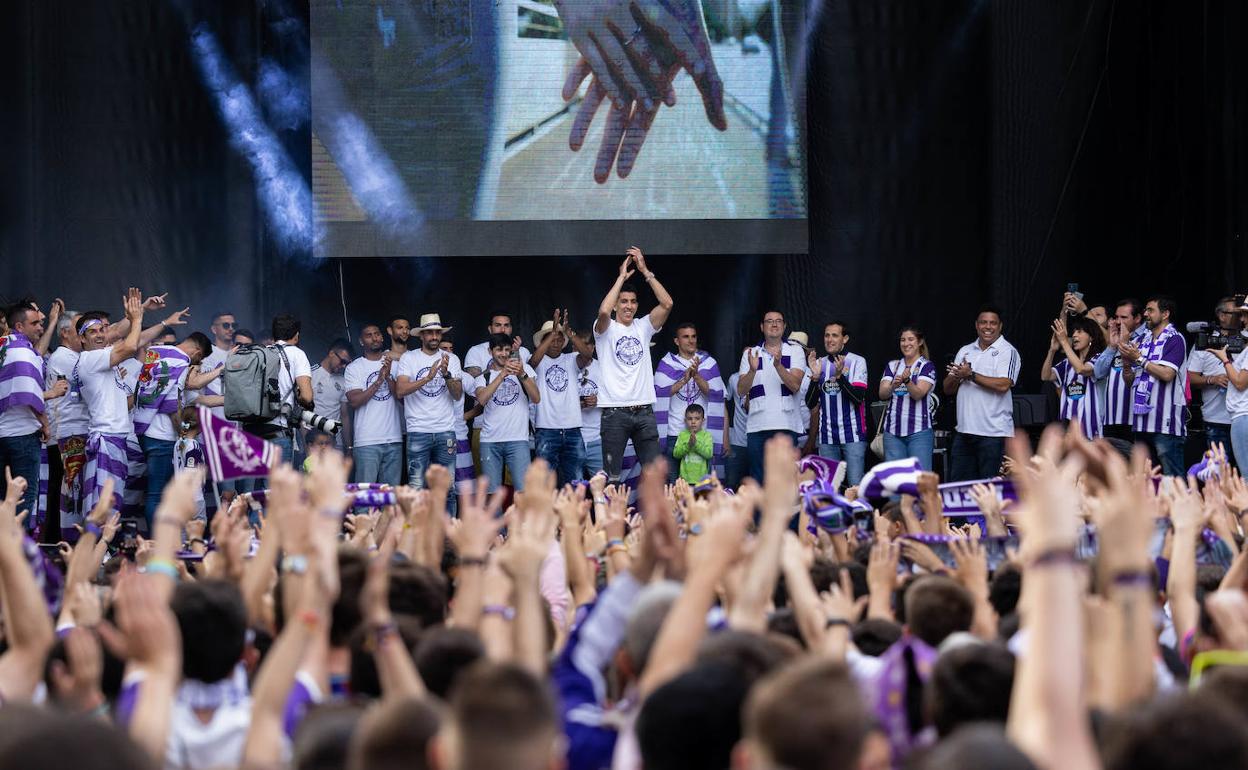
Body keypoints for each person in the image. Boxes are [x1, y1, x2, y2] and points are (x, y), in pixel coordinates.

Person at [594, 246, 673, 484]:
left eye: (633, 302)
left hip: (644, 412)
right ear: (618, 304)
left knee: (655, 480)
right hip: (614, 413)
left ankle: (651, 523)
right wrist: (620, 277)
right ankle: (611, 522)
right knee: (612, 480)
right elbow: (604, 310)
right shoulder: (605, 330)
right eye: (624, 302)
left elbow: (667, 303)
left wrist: (644, 271)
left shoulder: (643, 327)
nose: (628, 306)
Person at [132, 332, 217, 527]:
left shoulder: (157, 353)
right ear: (197, 351)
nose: (196, 363)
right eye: (200, 359)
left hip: (146, 430)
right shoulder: (178, 361)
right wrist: (183, 432)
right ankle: (157, 544)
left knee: (158, 493)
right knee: (158, 495)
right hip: (161, 435)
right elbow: (172, 404)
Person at [73, 292, 145, 514]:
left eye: (102, 330)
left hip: (115, 437)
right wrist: (137, 320)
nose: (99, 335)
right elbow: (132, 346)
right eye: (91, 332)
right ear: (82, 339)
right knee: (103, 503)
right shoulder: (90, 359)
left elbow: (126, 404)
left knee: (110, 501)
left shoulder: (105, 360)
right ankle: (98, 547)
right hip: (106, 437)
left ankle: (103, 546)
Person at [393, 314, 464, 512]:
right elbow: (400, 390)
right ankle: (415, 538)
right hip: (418, 431)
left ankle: (448, 538)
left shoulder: (452, 359)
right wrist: (428, 378)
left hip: (445, 431)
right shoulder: (409, 358)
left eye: (437, 332)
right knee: (416, 490)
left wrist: (447, 374)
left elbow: (457, 395)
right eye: (430, 332)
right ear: (421, 336)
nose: (434, 336)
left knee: (447, 490)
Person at [944, 306, 1020, 480]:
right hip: (964, 433)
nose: (988, 327)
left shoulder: (1008, 351)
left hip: (994, 435)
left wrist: (971, 375)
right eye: (983, 322)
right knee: (961, 491)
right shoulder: (965, 350)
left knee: (992, 490)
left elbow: (1004, 384)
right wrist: (957, 376)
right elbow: (948, 389)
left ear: (1000, 326)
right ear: (976, 325)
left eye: (993, 323)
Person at [736, 311, 808, 482]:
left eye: (778, 321)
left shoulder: (795, 351)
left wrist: (778, 366)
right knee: (759, 481)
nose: (774, 324)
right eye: (769, 321)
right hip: (756, 427)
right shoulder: (751, 353)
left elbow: (795, 385)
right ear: (762, 327)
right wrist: (752, 371)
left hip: (786, 425)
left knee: (785, 482)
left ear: (784, 326)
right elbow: (740, 390)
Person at [1119, 296, 1187, 475]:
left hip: (1165, 424)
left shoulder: (1175, 339)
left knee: (1173, 480)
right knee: (1146, 480)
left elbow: (1167, 374)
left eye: (1150, 310)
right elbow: (1130, 381)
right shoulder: (1143, 340)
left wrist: (1139, 359)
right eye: (1146, 310)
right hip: (1141, 423)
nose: (1145, 314)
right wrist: (1127, 364)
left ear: (1165, 314)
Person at [0, 301, 54, 527]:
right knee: (22, 499)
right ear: (19, 327)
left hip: (3, 433)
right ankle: (16, 556)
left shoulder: (3, 346)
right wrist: (45, 424)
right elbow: (27, 391)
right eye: (35, 323)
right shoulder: (22, 350)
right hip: (21, 435)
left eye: (41, 322)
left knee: (4, 499)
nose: (40, 327)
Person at [653, 322, 725, 483]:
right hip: (674, 434)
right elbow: (658, 395)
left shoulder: (708, 363)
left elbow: (716, 395)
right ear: (677, 341)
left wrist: (697, 376)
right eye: (685, 337)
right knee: (673, 486)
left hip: (701, 435)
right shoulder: (667, 364)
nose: (691, 340)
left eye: (693, 336)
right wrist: (683, 380)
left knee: (702, 486)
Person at [530, 310, 594, 487]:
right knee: (544, 484)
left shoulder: (571, 358)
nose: (556, 342)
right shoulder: (537, 360)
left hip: (573, 429)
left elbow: (587, 356)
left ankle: (573, 514)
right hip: (546, 430)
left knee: (576, 482)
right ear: (543, 342)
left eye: (560, 339)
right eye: (552, 339)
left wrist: (569, 332)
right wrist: (551, 334)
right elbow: (532, 363)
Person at [472, 334, 540, 492]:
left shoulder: (524, 370)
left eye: (507, 350)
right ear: (490, 351)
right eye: (499, 350)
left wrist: (522, 374)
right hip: (490, 441)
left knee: (523, 492)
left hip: (518, 440)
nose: (503, 354)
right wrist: (502, 375)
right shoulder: (484, 376)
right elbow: (481, 399)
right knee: (492, 494)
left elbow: (536, 398)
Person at [806, 321, 869, 486]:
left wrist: (841, 378)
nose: (829, 339)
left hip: (853, 435)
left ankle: (858, 512)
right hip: (827, 437)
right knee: (829, 488)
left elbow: (857, 398)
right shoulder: (820, 363)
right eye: (827, 335)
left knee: (855, 486)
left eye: (835, 335)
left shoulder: (857, 361)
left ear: (845, 339)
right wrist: (814, 378)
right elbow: (810, 403)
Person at [246, 313, 313, 464]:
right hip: (278, 431)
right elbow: (307, 396)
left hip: (251, 431)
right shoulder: (297, 354)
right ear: (296, 335)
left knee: (254, 487)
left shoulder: (259, 353)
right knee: (279, 486)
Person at [45, 311, 88, 540]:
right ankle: (59, 542)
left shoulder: (73, 356)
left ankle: (57, 540)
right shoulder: (64, 356)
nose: (82, 334)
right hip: (65, 433)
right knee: (66, 490)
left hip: (68, 432)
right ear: (64, 332)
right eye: (78, 328)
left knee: (64, 489)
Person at [344, 324, 403, 487]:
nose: (374, 337)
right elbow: (354, 401)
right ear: (361, 341)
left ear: (382, 337)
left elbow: (402, 398)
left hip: (394, 438)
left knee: (390, 498)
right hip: (367, 441)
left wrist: (389, 376)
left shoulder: (397, 365)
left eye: (377, 334)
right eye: (369, 335)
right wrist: (378, 381)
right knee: (364, 495)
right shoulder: (354, 367)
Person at [1188, 297, 1243, 450]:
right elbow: (1189, 378)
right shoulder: (1206, 341)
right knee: (1219, 470)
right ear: (1221, 315)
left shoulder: (1246, 341)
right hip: (1216, 419)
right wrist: (1212, 379)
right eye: (1237, 314)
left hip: (1243, 418)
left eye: (1243, 314)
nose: (1241, 318)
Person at [879, 326, 938, 470]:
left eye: (911, 339)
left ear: (920, 342)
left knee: (920, 482)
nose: (906, 343)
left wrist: (907, 381)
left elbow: (918, 394)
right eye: (903, 340)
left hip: (919, 432)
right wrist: (894, 385)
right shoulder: (893, 365)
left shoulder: (927, 366)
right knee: (894, 483)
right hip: (892, 433)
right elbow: (882, 394)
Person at [1040, 315, 1106, 439]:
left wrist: (1064, 342)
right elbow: (1046, 376)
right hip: (1068, 427)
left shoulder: (1098, 358)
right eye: (1074, 332)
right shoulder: (1067, 363)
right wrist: (1052, 350)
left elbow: (1081, 369)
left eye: (1079, 331)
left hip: (1091, 428)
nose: (1074, 335)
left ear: (1091, 336)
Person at [1093, 299, 1147, 442]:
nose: (1118, 321)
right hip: (1110, 418)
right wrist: (1111, 347)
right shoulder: (1115, 338)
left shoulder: (1147, 338)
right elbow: (1098, 373)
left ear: (1137, 318)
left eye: (1123, 317)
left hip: (1135, 419)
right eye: (1116, 317)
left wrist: (1124, 344)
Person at [1211, 301, 1248, 473]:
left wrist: (1225, 359)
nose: (1242, 320)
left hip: (1244, 415)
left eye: (1246, 315)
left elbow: (1240, 383)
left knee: (1246, 476)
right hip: (1242, 415)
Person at [440, 335, 479, 490]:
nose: (449, 353)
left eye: (451, 349)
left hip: (459, 436)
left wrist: (465, 417)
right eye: (444, 349)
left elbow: (484, 400)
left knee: (465, 489)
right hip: (435, 435)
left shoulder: (464, 376)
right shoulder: (427, 373)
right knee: (440, 488)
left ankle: (463, 516)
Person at [311, 338, 353, 449]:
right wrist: (307, 449)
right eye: (342, 361)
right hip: (315, 442)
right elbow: (303, 413)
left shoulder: (343, 380)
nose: (344, 366)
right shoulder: (310, 375)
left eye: (347, 363)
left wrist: (349, 446)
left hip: (336, 443)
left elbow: (344, 415)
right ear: (331, 353)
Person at [464, 310, 528, 378]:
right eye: (498, 325)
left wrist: (514, 353)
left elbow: (528, 381)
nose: (503, 330)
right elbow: (473, 383)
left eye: (506, 325)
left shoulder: (523, 351)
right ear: (490, 329)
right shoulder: (475, 351)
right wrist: (495, 366)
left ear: (511, 329)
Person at [577, 334, 604, 479]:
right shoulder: (567, 366)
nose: (581, 349)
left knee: (604, 488)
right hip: (572, 438)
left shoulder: (603, 368)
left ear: (593, 348)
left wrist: (598, 400)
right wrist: (577, 404)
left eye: (586, 344)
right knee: (573, 489)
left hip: (597, 437)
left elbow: (617, 396)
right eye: (577, 345)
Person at [672, 403, 713, 485]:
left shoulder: (707, 435)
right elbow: (676, 454)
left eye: (697, 418)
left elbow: (709, 454)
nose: (693, 422)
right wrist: (688, 445)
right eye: (690, 419)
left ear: (703, 420)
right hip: (684, 481)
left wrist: (696, 444)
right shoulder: (682, 435)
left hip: (702, 481)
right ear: (685, 420)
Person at [725, 369, 749, 489]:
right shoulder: (734, 378)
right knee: (731, 485)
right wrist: (726, 439)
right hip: (737, 441)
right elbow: (724, 401)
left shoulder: (765, 376)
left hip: (758, 442)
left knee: (757, 487)